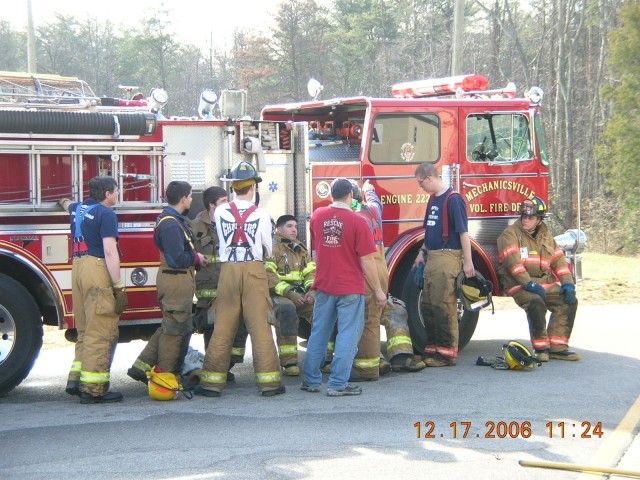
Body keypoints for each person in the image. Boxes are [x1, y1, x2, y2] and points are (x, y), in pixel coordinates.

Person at [195, 161, 285, 397]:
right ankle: (270, 384)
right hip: (254, 270)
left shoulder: (221, 212)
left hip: (228, 271)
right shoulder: (262, 214)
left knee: (223, 327)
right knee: (260, 326)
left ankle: (211, 383)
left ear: (233, 187)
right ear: (253, 188)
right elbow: (267, 248)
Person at [301, 178, 387, 397]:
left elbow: (317, 252)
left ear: (331, 195)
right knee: (347, 335)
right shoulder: (357, 221)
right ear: (351, 195)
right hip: (350, 288)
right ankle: (338, 383)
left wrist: (314, 284)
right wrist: (378, 291)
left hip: (324, 285)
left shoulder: (317, 216)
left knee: (319, 332)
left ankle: (311, 380)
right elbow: (367, 261)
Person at [127, 181, 208, 384]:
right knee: (175, 330)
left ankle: (142, 366)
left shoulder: (173, 220)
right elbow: (176, 259)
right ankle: (167, 376)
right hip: (175, 279)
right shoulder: (171, 223)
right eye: (190, 196)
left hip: (177, 280)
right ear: (183, 199)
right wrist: (196, 258)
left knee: (170, 324)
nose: (191, 199)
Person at [60, 176, 127, 404]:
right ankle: (94, 389)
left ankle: (76, 380)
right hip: (96, 268)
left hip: (77, 268)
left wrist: (62, 200)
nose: (118, 194)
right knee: (101, 329)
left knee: (85, 329)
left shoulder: (77, 208)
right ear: (107, 194)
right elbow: (110, 251)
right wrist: (118, 286)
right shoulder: (106, 214)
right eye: (116, 191)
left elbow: (67, 204)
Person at [349, 180, 425, 381]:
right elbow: (376, 201)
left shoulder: (352, 219)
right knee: (396, 311)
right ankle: (401, 357)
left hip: (364, 279)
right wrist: (369, 189)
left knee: (366, 321)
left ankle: (374, 359)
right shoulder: (373, 211)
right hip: (381, 276)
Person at [496, 196, 580, 361]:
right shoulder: (510, 234)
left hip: (542, 283)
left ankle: (557, 347)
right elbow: (513, 265)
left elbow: (560, 262)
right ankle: (541, 349)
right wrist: (528, 284)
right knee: (535, 302)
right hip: (518, 284)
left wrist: (568, 284)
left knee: (568, 301)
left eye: (531, 217)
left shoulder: (546, 236)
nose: (526, 220)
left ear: (539, 220)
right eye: (524, 216)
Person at [413, 163, 475, 367]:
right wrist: (421, 252)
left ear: (429, 178)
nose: (420, 186)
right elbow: (430, 231)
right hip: (432, 259)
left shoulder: (453, 200)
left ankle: (447, 354)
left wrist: (468, 262)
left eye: (421, 182)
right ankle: (433, 350)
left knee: (444, 306)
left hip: (448, 258)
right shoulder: (433, 200)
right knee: (428, 305)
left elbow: (463, 233)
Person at [190, 186, 248, 380]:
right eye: (223, 201)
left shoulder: (233, 222)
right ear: (211, 204)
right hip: (207, 284)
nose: (228, 204)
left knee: (237, 323)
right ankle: (214, 366)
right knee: (211, 324)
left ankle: (228, 364)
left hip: (230, 281)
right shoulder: (195, 226)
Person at [265, 214, 317, 376]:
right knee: (286, 310)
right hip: (278, 295)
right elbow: (269, 276)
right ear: (278, 229)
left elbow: (310, 272)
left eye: (295, 226)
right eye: (289, 226)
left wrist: (311, 291)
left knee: (322, 309)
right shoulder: (271, 246)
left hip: (300, 295)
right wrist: (290, 293)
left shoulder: (300, 248)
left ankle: (325, 358)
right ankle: (289, 362)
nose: (294, 230)